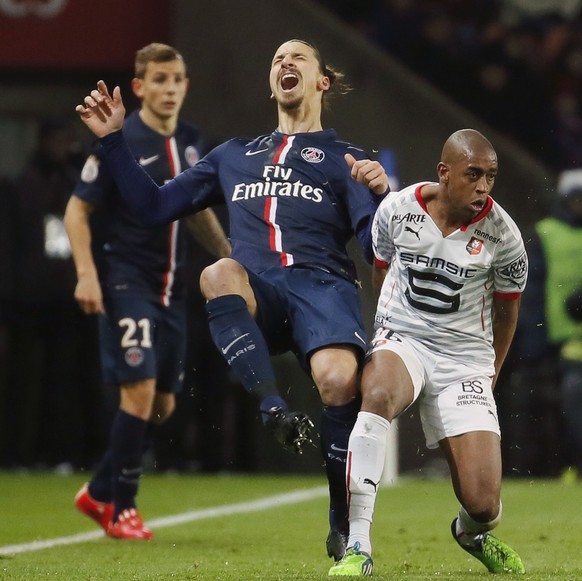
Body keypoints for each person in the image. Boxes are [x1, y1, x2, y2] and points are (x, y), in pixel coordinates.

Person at [73, 38, 389, 559]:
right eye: (275, 59)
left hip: (322, 287)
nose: (284, 63)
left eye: (297, 58)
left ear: (321, 82)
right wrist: (112, 143)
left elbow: (377, 246)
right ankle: (272, 409)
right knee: (219, 271)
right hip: (259, 291)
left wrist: (381, 195)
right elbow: (152, 207)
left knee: (337, 381)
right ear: (271, 84)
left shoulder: (349, 160)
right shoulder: (232, 156)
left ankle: (341, 526)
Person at [330, 129, 528, 576]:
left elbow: (507, 315)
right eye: (473, 174)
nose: (483, 187)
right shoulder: (397, 210)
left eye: (491, 177)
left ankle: (471, 533)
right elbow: (381, 270)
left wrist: (489, 374)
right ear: (444, 172)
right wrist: (385, 331)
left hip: (465, 360)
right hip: (406, 339)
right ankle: (358, 546)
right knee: (377, 392)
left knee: (483, 502)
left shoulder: (504, 236)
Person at [65, 43, 231, 540]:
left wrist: (229, 257)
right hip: (125, 282)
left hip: (170, 292)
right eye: (159, 80)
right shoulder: (120, 137)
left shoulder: (193, 143)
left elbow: (198, 209)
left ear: (185, 85)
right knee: (137, 394)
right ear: (139, 87)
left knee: (163, 406)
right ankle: (122, 507)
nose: (169, 89)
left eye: (177, 79)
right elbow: (77, 210)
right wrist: (86, 273)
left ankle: (97, 490)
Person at [515, 168, 582, 480]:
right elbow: (533, 291)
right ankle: (563, 466)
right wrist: (534, 344)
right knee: (562, 409)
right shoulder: (545, 233)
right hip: (559, 341)